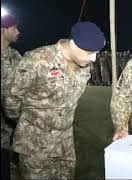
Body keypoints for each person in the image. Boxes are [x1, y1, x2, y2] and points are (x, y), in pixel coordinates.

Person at [3, 21, 105, 179]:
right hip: (35, 148)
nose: (93, 58)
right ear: (73, 44)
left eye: (96, 53)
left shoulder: (84, 65)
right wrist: (28, 122)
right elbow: (10, 97)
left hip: (65, 145)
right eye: (90, 52)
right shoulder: (37, 60)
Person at [1, 14, 22, 180]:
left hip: (14, 124)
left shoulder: (15, 55)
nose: (18, 31)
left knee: (14, 166)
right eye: (14, 28)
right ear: (3, 30)